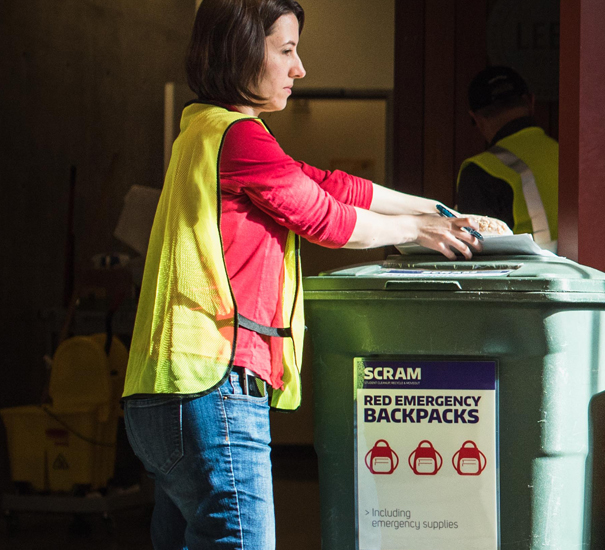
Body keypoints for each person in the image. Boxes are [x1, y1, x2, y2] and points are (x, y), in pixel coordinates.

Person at [122, 1, 494, 547]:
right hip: (213, 386)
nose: (300, 69)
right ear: (243, 50)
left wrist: (436, 211)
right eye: (287, 51)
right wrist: (417, 231)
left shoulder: (203, 132)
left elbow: (330, 185)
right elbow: (323, 215)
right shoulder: (237, 136)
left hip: (162, 395)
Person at [455, 65, 561, 254]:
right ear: (531, 102)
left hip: (531, 279)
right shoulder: (569, 157)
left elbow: (475, 254)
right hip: (588, 275)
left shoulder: (480, 171)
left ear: (476, 118)